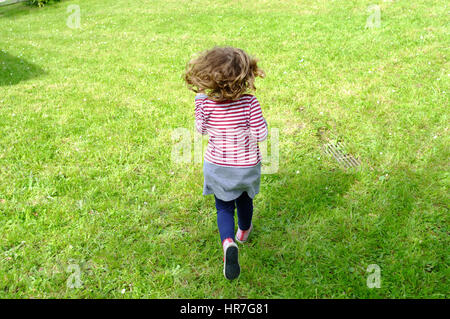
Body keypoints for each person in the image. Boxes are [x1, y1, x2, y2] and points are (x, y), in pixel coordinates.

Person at [184, 46, 268, 280]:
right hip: (245, 167)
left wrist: (200, 100)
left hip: (218, 167)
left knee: (223, 207)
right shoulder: (250, 103)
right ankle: (243, 231)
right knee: (244, 199)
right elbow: (261, 135)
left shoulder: (206, 104)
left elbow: (200, 129)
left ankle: (228, 242)